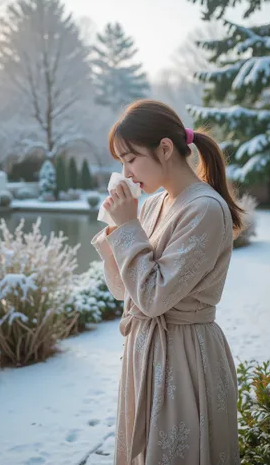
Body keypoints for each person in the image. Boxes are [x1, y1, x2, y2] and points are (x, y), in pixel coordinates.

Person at [90, 99, 244, 465]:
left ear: (164, 148)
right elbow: (124, 292)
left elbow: (154, 298)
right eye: (121, 163)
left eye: (130, 159)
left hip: (186, 358)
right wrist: (117, 226)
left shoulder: (205, 209)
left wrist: (128, 230)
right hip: (145, 353)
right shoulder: (152, 204)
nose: (126, 173)